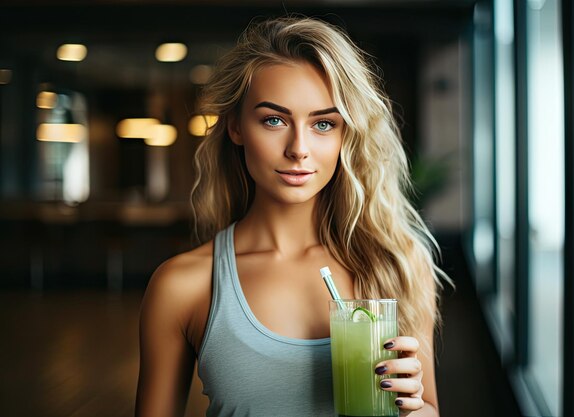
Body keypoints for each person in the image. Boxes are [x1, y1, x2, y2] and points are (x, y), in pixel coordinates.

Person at [135, 15, 448, 417]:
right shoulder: (183, 287)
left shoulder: (399, 263)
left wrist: (414, 410)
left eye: (323, 124)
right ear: (235, 126)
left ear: (345, 135)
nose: (299, 148)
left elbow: (431, 410)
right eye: (274, 120)